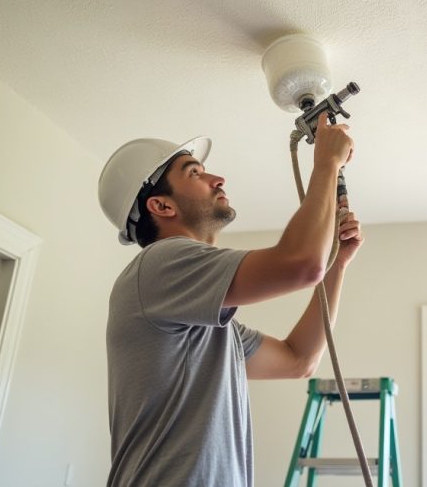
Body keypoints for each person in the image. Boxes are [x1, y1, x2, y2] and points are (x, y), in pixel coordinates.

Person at [96, 113, 361, 487]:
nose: (217, 178)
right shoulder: (161, 264)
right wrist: (327, 163)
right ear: (161, 206)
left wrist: (337, 263)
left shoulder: (207, 326)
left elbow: (298, 360)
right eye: (194, 173)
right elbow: (301, 263)